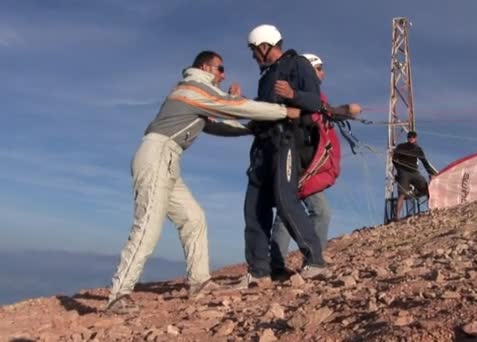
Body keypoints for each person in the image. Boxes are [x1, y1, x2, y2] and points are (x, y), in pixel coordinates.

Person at [105, 50, 302, 314]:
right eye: (221, 69)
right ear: (207, 67)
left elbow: (216, 123)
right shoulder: (194, 87)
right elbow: (233, 107)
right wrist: (282, 111)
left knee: (194, 218)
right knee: (148, 226)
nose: (223, 74)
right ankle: (118, 295)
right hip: (158, 156)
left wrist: (250, 128)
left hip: (167, 160)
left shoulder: (198, 94)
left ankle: (199, 282)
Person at [234, 24, 329, 289]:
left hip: (286, 142)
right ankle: (259, 271)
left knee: (286, 201)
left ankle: (316, 262)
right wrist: (241, 103)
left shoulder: (298, 65)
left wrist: (293, 95)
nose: (254, 56)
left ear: (265, 46)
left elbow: (314, 104)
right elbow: (265, 110)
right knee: (254, 208)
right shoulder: (266, 76)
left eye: (255, 50)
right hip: (262, 147)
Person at [269, 53, 362, 275]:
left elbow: (322, 113)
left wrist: (343, 112)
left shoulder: (312, 95)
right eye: (319, 68)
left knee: (292, 212)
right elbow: (314, 114)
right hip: (296, 161)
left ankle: (289, 264)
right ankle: (304, 262)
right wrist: (345, 110)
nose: (323, 73)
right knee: (313, 211)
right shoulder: (296, 93)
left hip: (304, 163)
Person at [392, 131, 438, 219]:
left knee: (427, 188)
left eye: (413, 137)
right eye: (409, 137)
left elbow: (425, 162)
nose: (411, 139)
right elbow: (394, 160)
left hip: (414, 172)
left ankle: (431, 209)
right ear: (407, 138)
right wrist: (399, 170)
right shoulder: (401, 147)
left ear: (415, 138)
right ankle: (397, 217)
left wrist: (431, 173)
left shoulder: (418, 149)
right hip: (404, 173)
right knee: (402, 194)